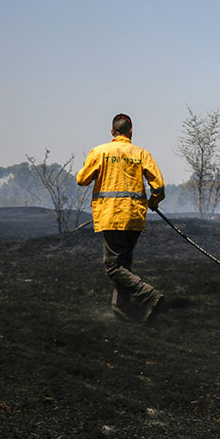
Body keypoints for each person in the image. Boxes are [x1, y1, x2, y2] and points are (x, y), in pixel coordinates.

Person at [77, 113, 167, 323]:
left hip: (112, 215)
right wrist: (153, 203)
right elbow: (159, 187)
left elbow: (82, 180)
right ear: (131, 131)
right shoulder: (142, 154)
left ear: (112, 132)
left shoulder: (100, 152)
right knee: (123, 263)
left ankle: (151, 296)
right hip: (134, 216)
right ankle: (121, 307)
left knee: (113, 267)